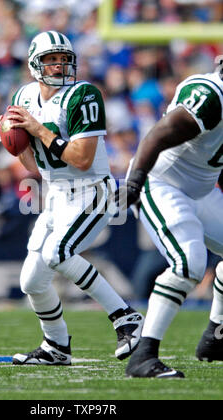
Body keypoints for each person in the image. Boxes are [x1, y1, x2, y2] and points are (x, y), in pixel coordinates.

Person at [0, 31, 144, 365]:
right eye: (52, 59)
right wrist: (14, 143)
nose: (59, 65)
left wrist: (36, 129)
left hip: (93, 191)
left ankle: (126, 318)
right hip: (56, 195)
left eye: (64, 58)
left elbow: (82, 158)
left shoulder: (83, 95)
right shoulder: (24, 95)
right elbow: (35, 164)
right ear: (35, 63)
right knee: (31, 281)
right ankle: (56, 346)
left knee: (58, 253)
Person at [124, 69, 223, 378]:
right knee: (189, 263)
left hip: (201, 191)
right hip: (160, 179)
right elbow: (158, 133)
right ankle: (143, 355)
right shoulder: (211, 94)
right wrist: (133, 184)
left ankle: (216, 336)